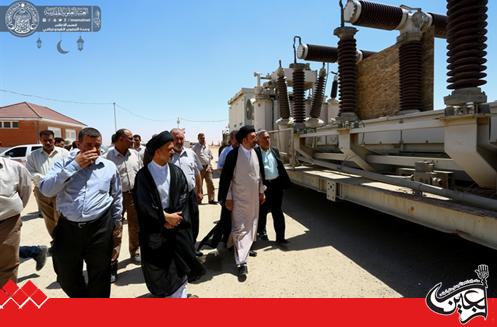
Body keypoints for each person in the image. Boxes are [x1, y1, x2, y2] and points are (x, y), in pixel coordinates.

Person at [39, 127, 122, 298]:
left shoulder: (109, 167)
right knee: (65, 275)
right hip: (68, 228)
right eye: (88, 145)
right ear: (78, 144)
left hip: (100, 227)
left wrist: (117, 222)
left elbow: (116, 195)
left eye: (97, 146)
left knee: (100, 276)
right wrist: (75, 166)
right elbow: (47, 190)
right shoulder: (63, 163)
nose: (93, 150)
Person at [133, 131, 205, 298]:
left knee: (180, 267)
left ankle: (180, 295)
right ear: (157, 151)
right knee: (161, 269)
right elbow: (143, 204)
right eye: (169, 149)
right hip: (155, 231)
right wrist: (163, 218)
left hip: (178, 228)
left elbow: (183, 197)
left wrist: (175, 219)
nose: (173, 151)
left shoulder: (176, 172)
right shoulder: (143, 176)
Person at [218, 125, 265, 281]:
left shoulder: (256, 153)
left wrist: (261, 191)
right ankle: (241, 263)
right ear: (244, 139)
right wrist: (228, 197)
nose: (256, 139)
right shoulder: (233, 155)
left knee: (251, 225)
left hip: (253, 200)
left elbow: (259, 176)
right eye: (253, 137)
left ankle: (244, 248)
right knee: (240, 228)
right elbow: (227, 180)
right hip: (238, 200)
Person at [104, 128, 143, 283]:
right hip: (115, 197)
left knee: (135, 226)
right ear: (120, 139)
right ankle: (112, 264)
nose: (133, 140)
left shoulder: (135, 154)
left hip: (133, 194)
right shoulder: (108, 157)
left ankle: (135, 252)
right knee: (116, 230)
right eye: (129, 138)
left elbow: (140, 172)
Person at [26, 130, 69, 237]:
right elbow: (30, 172)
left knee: (62, 218)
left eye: (50, 140)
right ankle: (55, 242)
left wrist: (55, 181)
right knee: (49, 219)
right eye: (45, 140)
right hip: (42, 192)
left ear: (54, 140)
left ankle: (64, 242)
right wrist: (46, 180)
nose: (48, 143)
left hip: (61, 191)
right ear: (40, 140)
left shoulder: (64, 153)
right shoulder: (33, 155)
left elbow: (69, 170)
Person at [170, 128, 204, 256]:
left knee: (194, 222)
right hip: (175, 198)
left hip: (191, 194)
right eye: (176, 139)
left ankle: (192, 248)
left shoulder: (190, 153)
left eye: (181, 138)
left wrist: (199, 191)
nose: (179, 141)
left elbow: (197, 173)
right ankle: (181, 252)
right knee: (180, 225)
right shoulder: (167, 155)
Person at [0, 157, 32, 287]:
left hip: (7, 224)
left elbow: (25, 192)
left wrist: (11, 212)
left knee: (7, 267)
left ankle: (6, 304)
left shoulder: (15, 168)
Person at [255, 130, 291, 243]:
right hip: (264, 185)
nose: (267, 140)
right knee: (263, 211)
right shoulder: (255, 152)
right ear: (258, 140)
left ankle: (280, 237)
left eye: (268, 137)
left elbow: (279, 166)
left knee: (278, 211)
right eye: (264, 138)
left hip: (276, 185)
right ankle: (262, 233)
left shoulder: (274, 150)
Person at [192, 133, 216, 204]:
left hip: (207, 167)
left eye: (204, 138)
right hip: (199, 168)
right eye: (201, 138)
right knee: (199, 184)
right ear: (198, 139)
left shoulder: (207, 146)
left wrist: (209, 164)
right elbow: (192, 157)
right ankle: (199, 199)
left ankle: (211, 199)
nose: (203, 139)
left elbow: (211, 156)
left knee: (210, 183)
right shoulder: (195, 147)